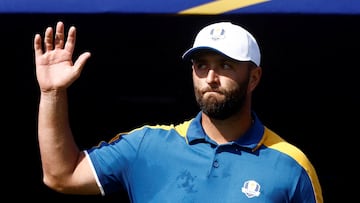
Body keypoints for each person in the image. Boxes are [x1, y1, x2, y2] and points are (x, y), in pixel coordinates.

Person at [33, 21, 323, 202]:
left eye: (226, 65)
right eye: (201, 65)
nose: (211, 77)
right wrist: (52, 94)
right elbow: (61, 175)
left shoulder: (291, 166)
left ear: (255, 77)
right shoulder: (147, 145)